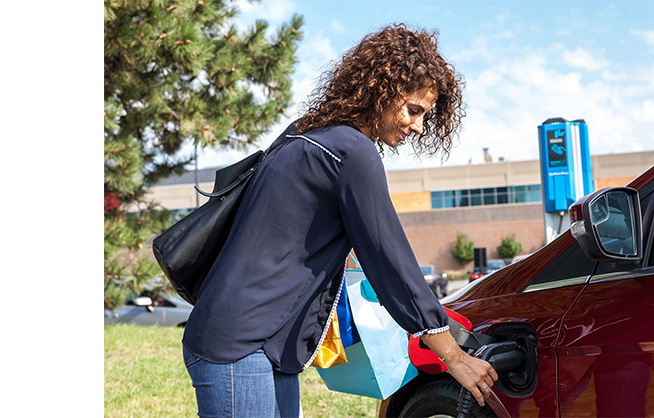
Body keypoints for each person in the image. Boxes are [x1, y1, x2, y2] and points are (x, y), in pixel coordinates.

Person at [181, 23, 498, 417]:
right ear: (384, 89)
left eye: (424, 116)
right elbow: (388, 258)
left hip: (257, 341)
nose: (417, 126)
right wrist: (452, 355)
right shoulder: (353, 153)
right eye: (414, 110)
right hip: (238, 345)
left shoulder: (306, 132)